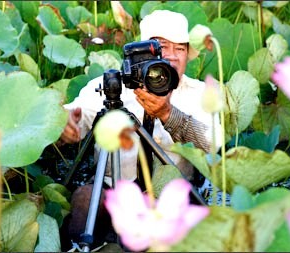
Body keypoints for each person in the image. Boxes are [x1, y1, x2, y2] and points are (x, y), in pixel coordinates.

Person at [59, 10, 223, 250]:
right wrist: (67, 124)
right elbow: (76, 114)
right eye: (164, 47)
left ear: (188, 54)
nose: (174, 57)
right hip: (113, 191)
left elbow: (212, 143)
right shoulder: (111, 86)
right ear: (143, 52)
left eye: (181, 49)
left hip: (172, 195)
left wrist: (169, 114)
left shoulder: (200, 93)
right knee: (84, 200)